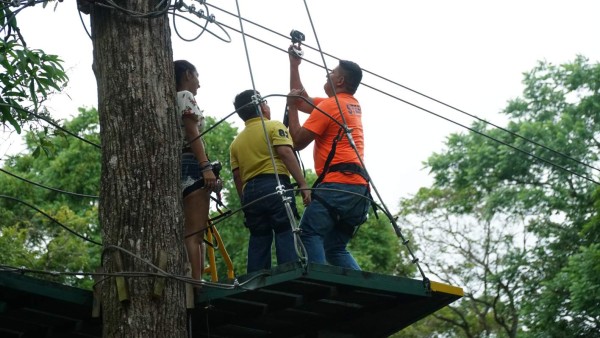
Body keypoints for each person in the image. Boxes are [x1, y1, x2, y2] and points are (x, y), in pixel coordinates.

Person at [286, 46, 370, 270]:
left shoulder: (332, 106)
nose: (328, 75)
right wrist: (294, 65)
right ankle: (357, 288)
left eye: (331, 73)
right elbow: (303, 101)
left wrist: (291, 108)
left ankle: (319, 285)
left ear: (340, 80)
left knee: (308, 233)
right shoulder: (349, 104)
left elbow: (297, 141)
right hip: (358, 191)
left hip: (337, 186)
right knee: (335, 247)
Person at [230, 89, 311, 273]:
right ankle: (289, 273)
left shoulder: (236, 143)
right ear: (260, 107)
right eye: (265, 103)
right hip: (275, 184)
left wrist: (245, 202)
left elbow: (237, 177)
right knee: (285, 229)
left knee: (259, 235)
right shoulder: (274, 126)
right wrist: (303, 184)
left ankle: (257, 277)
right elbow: (285, 153)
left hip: (250, 192)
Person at [175, 60, 221, 280]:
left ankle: (195, 278)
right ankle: (197, 284)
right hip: (193, 165)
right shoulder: (184, 96)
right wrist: (206, 167)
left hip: (178, 166)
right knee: (195, 233)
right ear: (187, 74)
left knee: (190, 231)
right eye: (197, 76)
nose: (199, 84)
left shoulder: (168, 99)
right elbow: (193, 133)